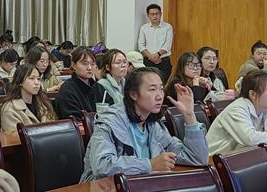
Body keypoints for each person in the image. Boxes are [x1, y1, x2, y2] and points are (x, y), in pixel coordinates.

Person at [80, 67, 208, 180]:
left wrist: (189, 115)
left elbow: (197, 158)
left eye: (161, 89)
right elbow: (102, 166)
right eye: (152, 89)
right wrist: (150, 165)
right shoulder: (109, 121)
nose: (159, 96)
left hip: (141, 189)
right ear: (133, 94)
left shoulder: (154, 125)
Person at [206, 70, 267, 156]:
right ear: (253, 94)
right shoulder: (237, 109)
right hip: (214, 161)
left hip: (243, 157)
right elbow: (250, 139)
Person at [0, 63, 57, 132]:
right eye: (32, 78)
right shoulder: (10, 109)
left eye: (38, 79)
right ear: (20, 82)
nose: (37, 83)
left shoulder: (43, 103)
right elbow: (14, 136)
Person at [53, 46, 97, 119]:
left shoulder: (98, 87)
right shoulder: (67, 91)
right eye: (85, 63)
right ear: (73, 65)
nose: (89, 68)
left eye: (93, 64)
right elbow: (73, 120)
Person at [137, 4, 173, 81]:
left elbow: (167, 45)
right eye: (152, 14)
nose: (155, 16)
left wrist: (157, 55)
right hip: (148, 61)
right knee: (147, 82)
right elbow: (141, 45)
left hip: (163, 61)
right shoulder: (144, 28)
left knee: (163, 82)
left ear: (161, 14)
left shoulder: (168, 27)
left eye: (157, 13)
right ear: (148, 15)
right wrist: (151, 57)